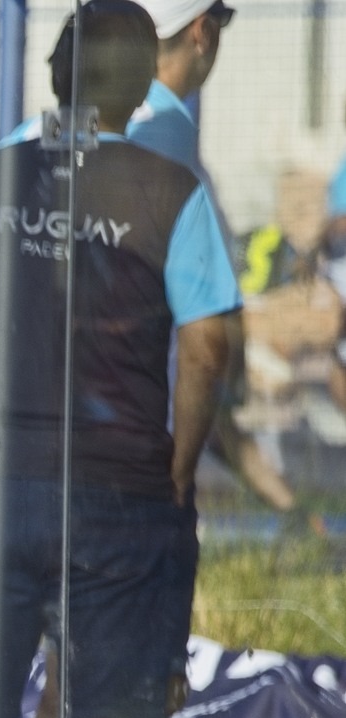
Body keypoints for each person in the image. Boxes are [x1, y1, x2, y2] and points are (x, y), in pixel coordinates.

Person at [0, 0, 240, 718]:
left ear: (56, 77)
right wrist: (180, 459)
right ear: (142, 91)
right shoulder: (172, 190)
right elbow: (207, 348)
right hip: (120, 487)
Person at [130, 0, 319, 531]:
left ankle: (301, 520)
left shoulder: (69, 133)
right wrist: (178, 477)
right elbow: (210, 340)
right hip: (150, 441)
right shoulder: (170, 147)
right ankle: (302, 522)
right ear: (202, 33)